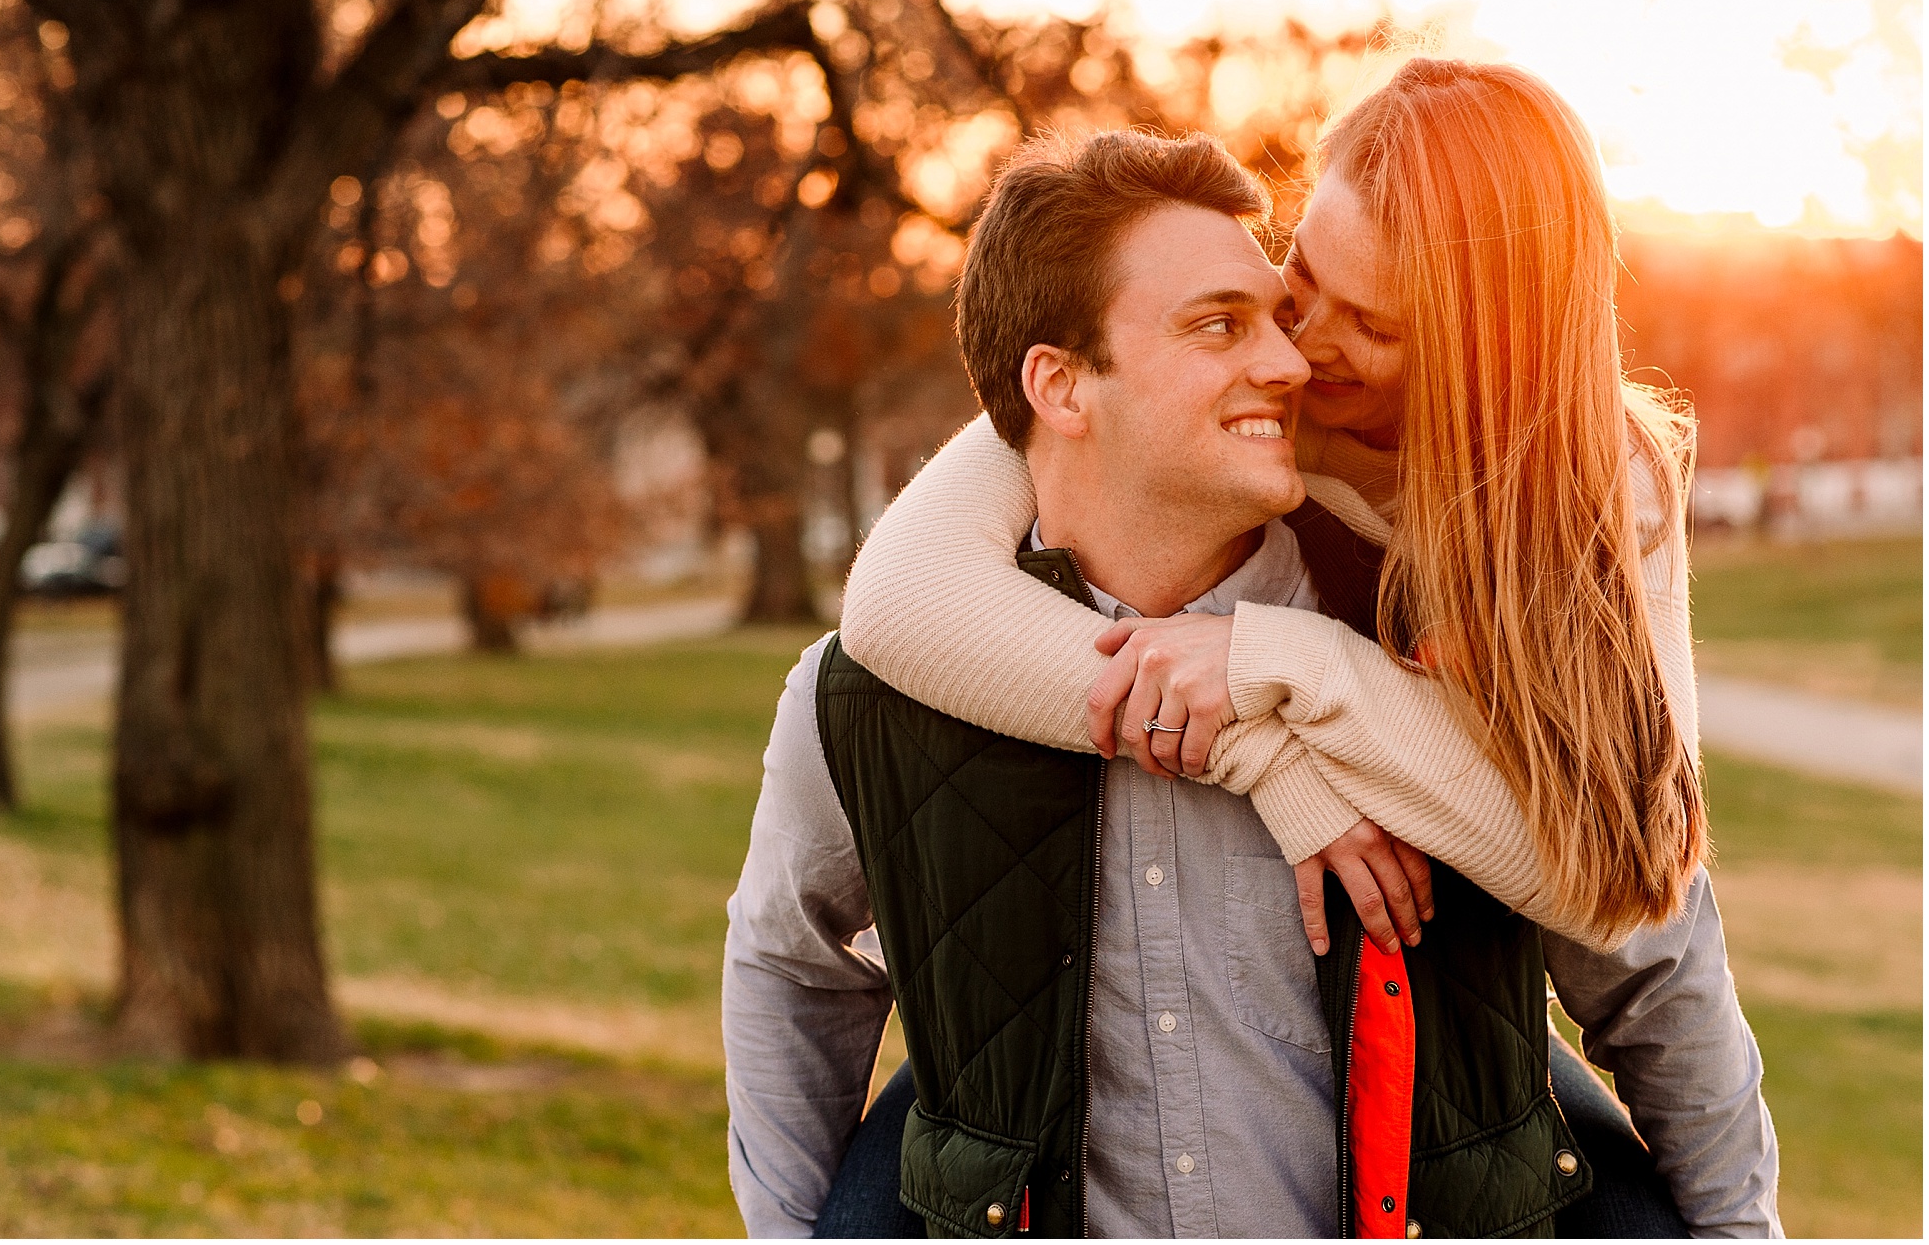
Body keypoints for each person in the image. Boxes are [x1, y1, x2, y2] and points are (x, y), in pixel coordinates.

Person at [726, 120, 1778, 1238]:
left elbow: (1647, 953)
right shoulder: (880, 689)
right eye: (1245, 314)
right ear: (1062, 387)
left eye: (1343, 325)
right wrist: (1262, 750)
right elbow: (795, 970)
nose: (1295, 359)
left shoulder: (1463, 623)